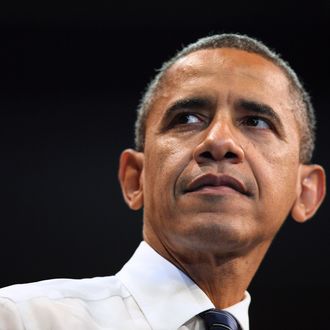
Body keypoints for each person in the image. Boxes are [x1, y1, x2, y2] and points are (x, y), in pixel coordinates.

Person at [0, 33, 326, 330]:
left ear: (306, 192)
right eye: (187, 118)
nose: (219, 140)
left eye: (256, 121)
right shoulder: (19, 318)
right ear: (134, 179)